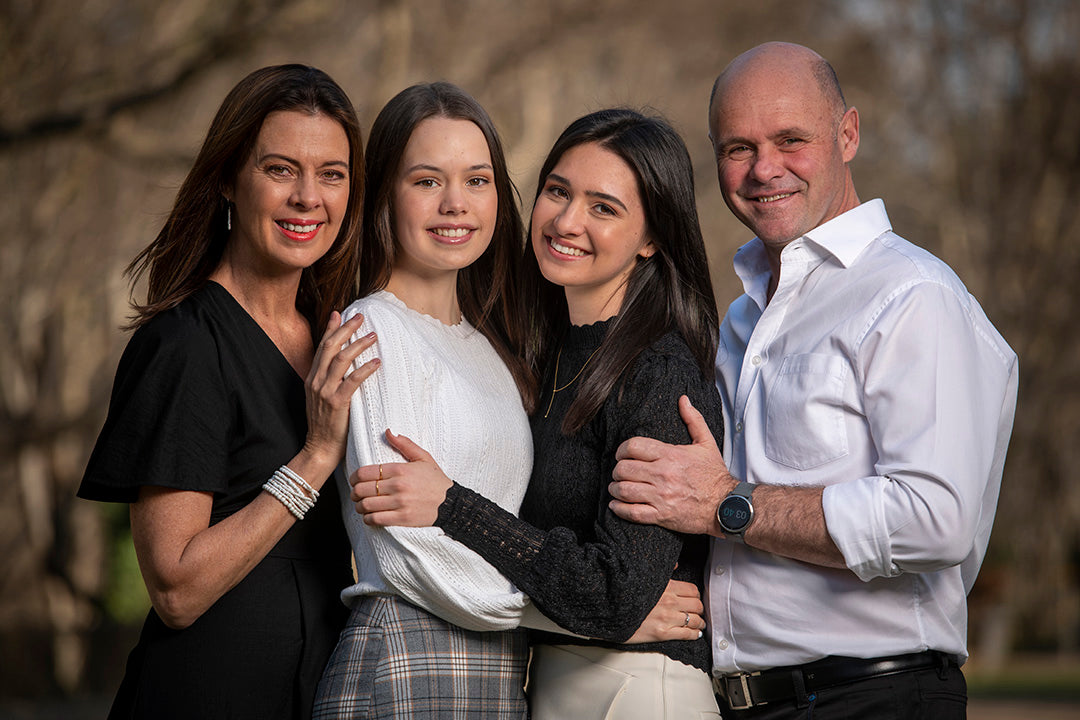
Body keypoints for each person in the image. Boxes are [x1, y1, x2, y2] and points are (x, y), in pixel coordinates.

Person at [607, 42, 1020, 719]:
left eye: (790, 139)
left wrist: (729, 505)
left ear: (847, 133)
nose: (764, 168)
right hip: (740, 702)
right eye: (737, 147)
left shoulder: (912, 295)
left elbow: (937, 520)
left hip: (873, 697)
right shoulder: (740, 320)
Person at [351, 108, 724, 719]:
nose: (567, 220)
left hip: (634, 692)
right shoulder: (539, 358)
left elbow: (614, 597)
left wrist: (452, 505)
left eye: (604, 207)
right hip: (551, 678)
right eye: (558, 192)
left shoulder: (658, 374)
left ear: (652, 238)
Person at [78, 65, 378, 720]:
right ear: (226, 180)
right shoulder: (185, 346)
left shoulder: (341, 334)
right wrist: (315, 458)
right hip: (207, 696)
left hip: (322, 690)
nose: (309, 197)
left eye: (332, 173)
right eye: (280, 170)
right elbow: (175, 588)